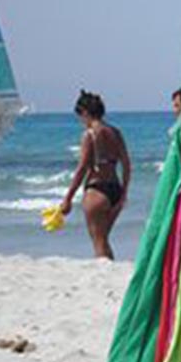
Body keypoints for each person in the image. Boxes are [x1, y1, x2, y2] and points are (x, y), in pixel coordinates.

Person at [60, 90, 131, 259]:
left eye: (80, 116)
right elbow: (127, 165)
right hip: (115, 189)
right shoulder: (115, 132)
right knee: (103, 239)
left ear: (85, 112)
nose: (81, 121)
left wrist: (68, 198)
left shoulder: (89, 135)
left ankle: (106, 276)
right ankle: (110, 272)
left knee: (99, 242)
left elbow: (82, 167)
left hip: (96, 190)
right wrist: (124, 193)